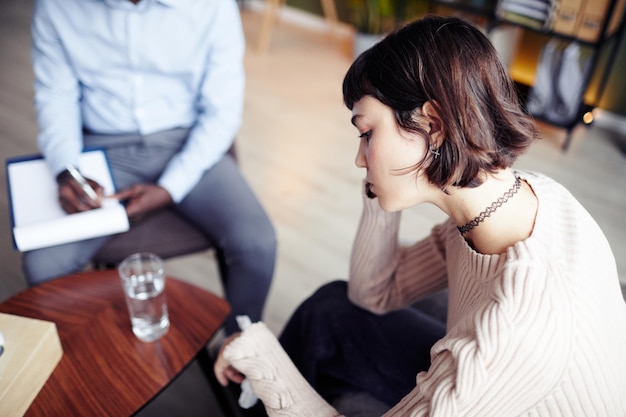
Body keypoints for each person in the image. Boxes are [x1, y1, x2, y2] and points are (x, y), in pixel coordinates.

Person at [213, 15, 626, 416]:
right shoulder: (506, 202)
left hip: (511, 379)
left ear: (433, 124)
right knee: (332, 308)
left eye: (367, 133)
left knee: (278, 352)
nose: (359, 158)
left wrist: (264, 362)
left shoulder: (517, 321)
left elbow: (507, 334)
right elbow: (372, 294)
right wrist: (380, 186)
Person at [26, 0, 277, 335]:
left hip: (188, 142)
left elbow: (222, 112)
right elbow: (55, 96)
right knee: (42, 264)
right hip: (101, 147)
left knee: (259, 243)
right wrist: (66, 168)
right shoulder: (55, 7)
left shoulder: (214, 6)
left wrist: (170, 188)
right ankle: (81, 363)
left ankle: (242, 354)